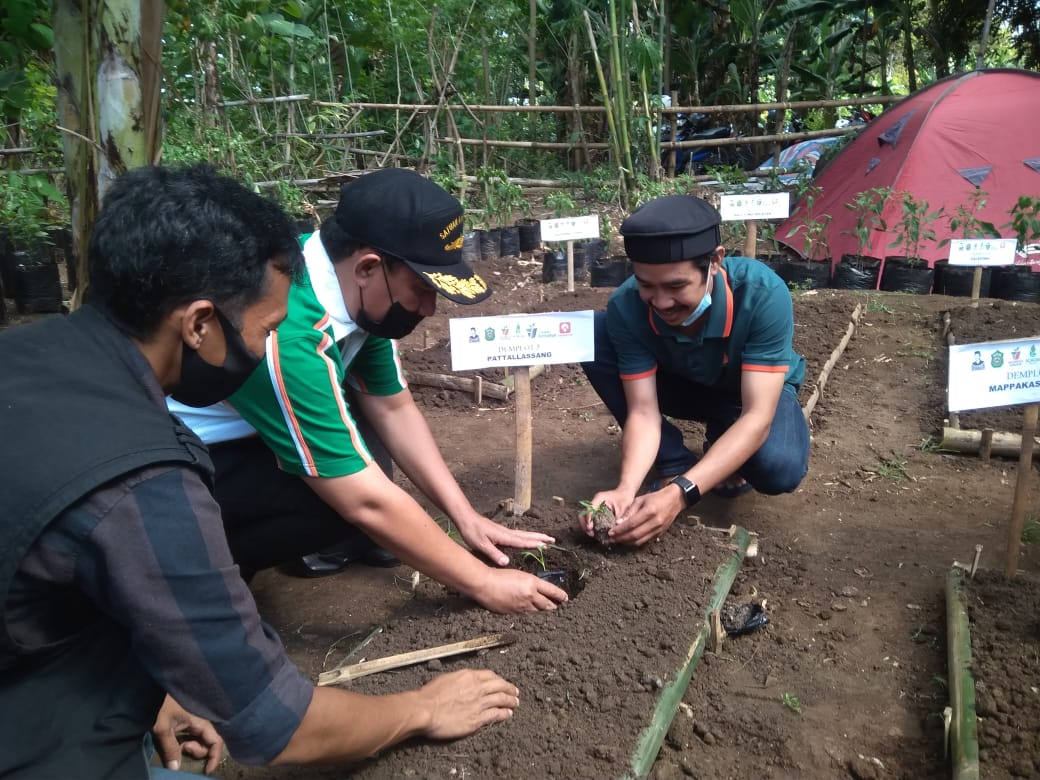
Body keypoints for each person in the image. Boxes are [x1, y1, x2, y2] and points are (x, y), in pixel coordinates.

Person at [0, 165, 523, 779]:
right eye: (263, 328)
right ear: (197, 323)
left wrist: (153, 680)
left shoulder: (28, 353)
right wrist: (421, 708)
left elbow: (391, 406)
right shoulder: (148, 483)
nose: (266, 339)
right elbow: (275, 724)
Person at [167, 168, 567, 612]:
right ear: (368, 267)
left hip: (255, 431)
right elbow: (365, 502)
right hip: (187, 461)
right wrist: (482, 582)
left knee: (369, 459)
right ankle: (208, 573)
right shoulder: (290, 331)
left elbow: (393, 407)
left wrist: (466, 517)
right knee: (340, 503)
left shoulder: (352, 293)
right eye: (421, 288)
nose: (430, 308)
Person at [579, 194, 810, 547]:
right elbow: (642, 410)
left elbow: (757, 416)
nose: (660, 302)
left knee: (778, 466)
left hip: (745, 394)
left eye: (676, 285)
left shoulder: (762, 294)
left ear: (715, 262)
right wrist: (625, 489)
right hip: (682, 385)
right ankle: (675, 460)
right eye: (646, 285)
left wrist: (682, 494)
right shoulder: (627, 306)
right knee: (593, 331)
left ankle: (722, 442)